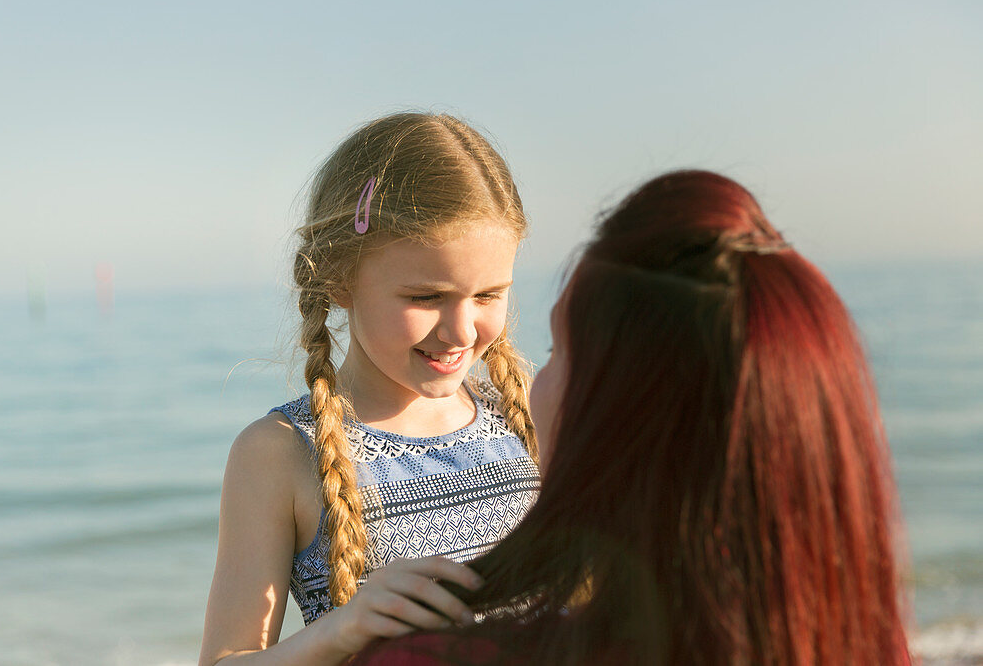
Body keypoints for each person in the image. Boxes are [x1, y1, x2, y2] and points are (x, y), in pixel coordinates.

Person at [353, 170, 911, 665]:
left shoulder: (428, 657)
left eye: (557, 353)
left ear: (614, 414)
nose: (532, 382)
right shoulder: (862, 644)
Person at [198, 113, 542, 666]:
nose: (460, 331)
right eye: (425, 297)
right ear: (338, 278)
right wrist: (342, 630)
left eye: (487, 295)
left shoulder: (530, 417)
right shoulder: (279, 453)